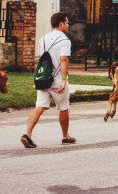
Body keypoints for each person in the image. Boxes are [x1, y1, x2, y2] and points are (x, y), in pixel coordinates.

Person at [21, 12, 75, 148]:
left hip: (43, 79)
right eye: (67, 22)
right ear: (61, 24)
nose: (68, 25)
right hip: (57, 81)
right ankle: (65, 136)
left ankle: (27, 134)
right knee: (63, 108)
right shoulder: (65, 41)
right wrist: (63, 80)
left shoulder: (43, 39)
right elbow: (63, 60)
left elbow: (42, 60)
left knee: (39, 107)